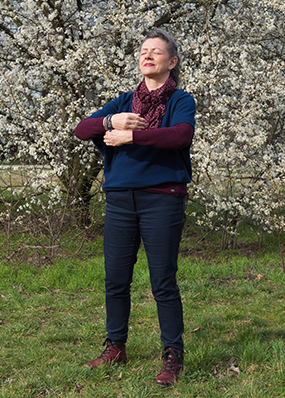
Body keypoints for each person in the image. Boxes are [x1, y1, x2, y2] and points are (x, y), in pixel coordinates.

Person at [74, 28, 196, 387]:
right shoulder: (124, 101)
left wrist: (132, 136)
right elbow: (82, 129)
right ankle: (116, 346)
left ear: (171, 62)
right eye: (144, 51)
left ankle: (173, 355)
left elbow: (180, 136)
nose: (148, 55)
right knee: (115, 280)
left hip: (162, 198)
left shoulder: (180, 101)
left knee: (162, 282)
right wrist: (112, 121)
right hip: (121, 199)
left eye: (157, 52)